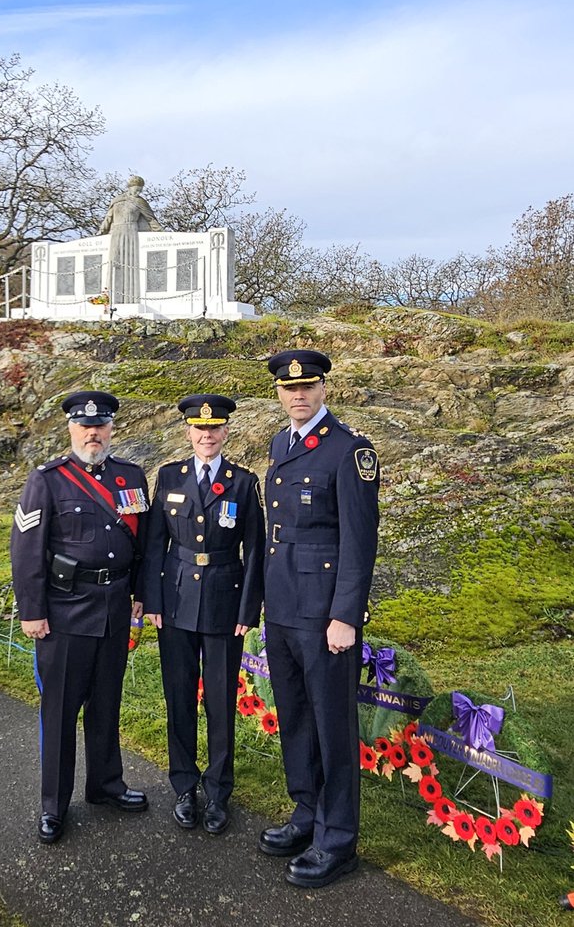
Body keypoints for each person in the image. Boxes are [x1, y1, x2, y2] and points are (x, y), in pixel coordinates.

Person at [258, 350, 379, 888]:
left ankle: (337, 840)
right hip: (282, 607)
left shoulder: (349, 451)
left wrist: (345, 616)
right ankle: (307, 814)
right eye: (289, 389)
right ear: (279, 394)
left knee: (331, 728)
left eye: (308, 386)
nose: (298, 395)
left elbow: (359, 541)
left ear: (323, 388)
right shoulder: (280, 444)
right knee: (297, 720)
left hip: (325, 615)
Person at [10, 390, 150, 844]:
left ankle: (106, 785)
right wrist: (32, 611)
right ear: (70, 428)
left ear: (111, 428)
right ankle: (54, 804)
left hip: (112, 609)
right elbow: (26, 550)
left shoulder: (131, 476)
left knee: (107, 704)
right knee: (61, 711)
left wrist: (140, 595)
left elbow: (143, 546)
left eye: (101, 425)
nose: (93, 432)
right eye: (84, 425)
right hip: (65, 613)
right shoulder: (47, 480)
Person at [142, 394, 265, 834]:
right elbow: (155, 543)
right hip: (174, 602)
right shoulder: (169, 476)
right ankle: (184, 787)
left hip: (223, 603)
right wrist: (151, 599)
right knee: (178, 698)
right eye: (199, 429)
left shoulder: (243, 482)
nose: (207, 435)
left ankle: (218, 790)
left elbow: (255, 549)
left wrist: (249, 608)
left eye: (214, 429)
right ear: (189, 433)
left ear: (226, 432)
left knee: (219, 702)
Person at [99, 175, 162, 303]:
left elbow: (150, 219)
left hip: (131, 232)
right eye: (136, 189)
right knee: (114, 261)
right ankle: (111, 297)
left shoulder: (140, 202)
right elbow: (108, 218)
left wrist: (159, 232)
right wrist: (101, 231)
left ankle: (130, 297)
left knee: (131, 263)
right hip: (116, 232)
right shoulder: (117, 201)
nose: (138, 192)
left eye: (140, 190)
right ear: (130, 187)